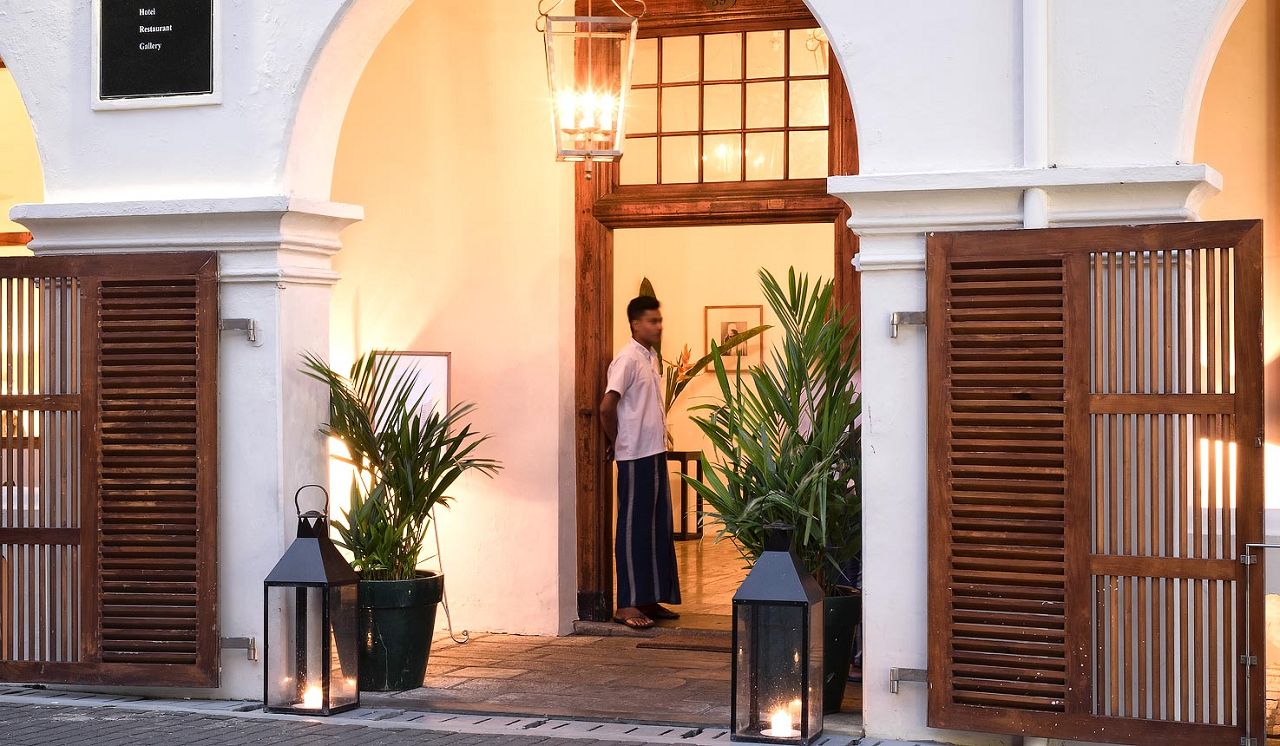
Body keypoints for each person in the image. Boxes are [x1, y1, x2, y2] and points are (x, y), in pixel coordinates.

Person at [599, 295, 682, 629]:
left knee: (657, 526)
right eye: (652, 321)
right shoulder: (627, 359)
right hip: (634, 455)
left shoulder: (650, 357)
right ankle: (627, 605)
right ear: (635, 324)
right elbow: (607, 406)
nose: (658, 326)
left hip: (654, 451)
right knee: (633, 528)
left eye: (659, 320)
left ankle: (648, 598)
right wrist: (616, 440)